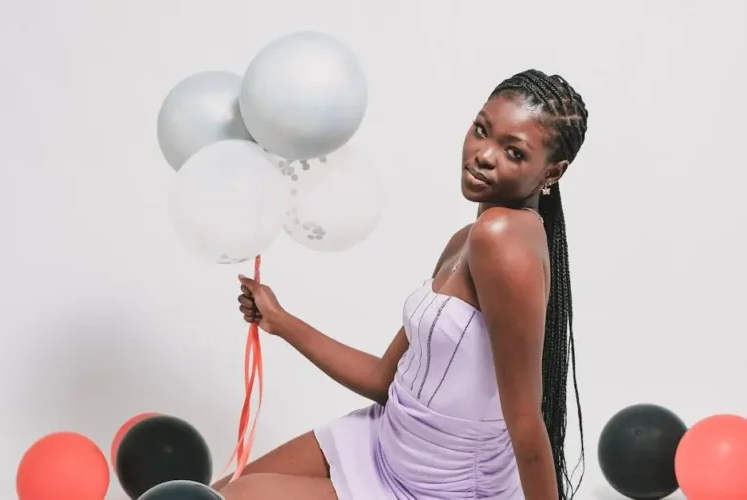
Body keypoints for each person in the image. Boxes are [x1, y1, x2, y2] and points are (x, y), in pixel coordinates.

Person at [215, 68, 588, 500]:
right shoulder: (466, 240)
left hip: (433, 485)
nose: (484, 155)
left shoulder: (500, 236)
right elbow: (383, 380)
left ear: (552, 172)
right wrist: (280, 321)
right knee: (214, 491)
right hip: (383, 440)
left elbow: (525, 420)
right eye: (481, 130)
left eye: (514, 152)